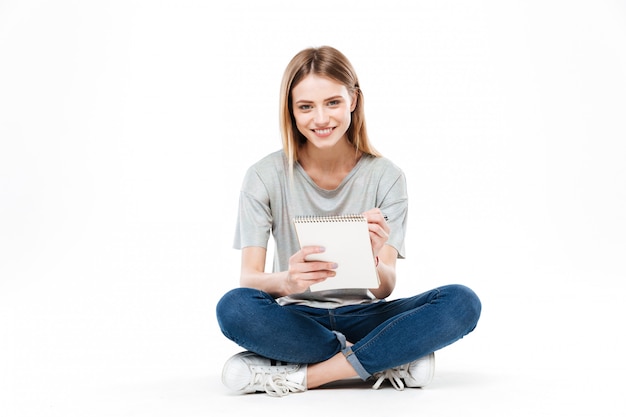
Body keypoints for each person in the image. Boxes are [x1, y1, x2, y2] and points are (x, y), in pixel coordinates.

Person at [215, 45, 481, 397]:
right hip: (298, 320)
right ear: (291, 111)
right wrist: (289, 281)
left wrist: (373, 257)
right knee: (233, 307)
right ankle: (383, 356)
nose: (321, 119)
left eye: (333, 103)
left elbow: (385, 288)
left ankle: (306, 375)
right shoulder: (263, 176)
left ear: (353, 100)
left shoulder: (386, 176)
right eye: (306, 107)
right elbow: (249, 279)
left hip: (367, 316)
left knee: (462, 302)